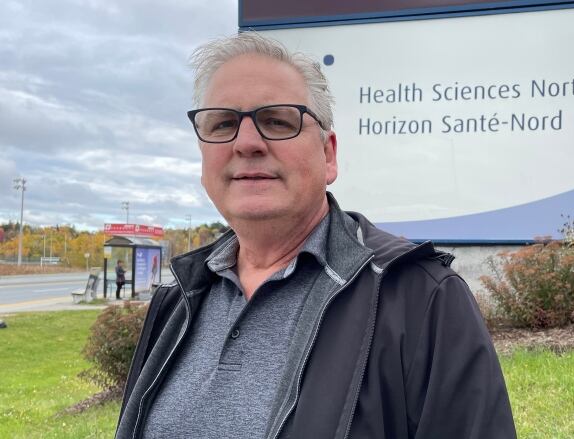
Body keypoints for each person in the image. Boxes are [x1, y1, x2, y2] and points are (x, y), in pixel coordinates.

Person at [117, 33, 515, 439]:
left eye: (277, 120)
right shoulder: (176, 301)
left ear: (328, 155)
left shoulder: (422, 299)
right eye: (223, 123)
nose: (247, 143)